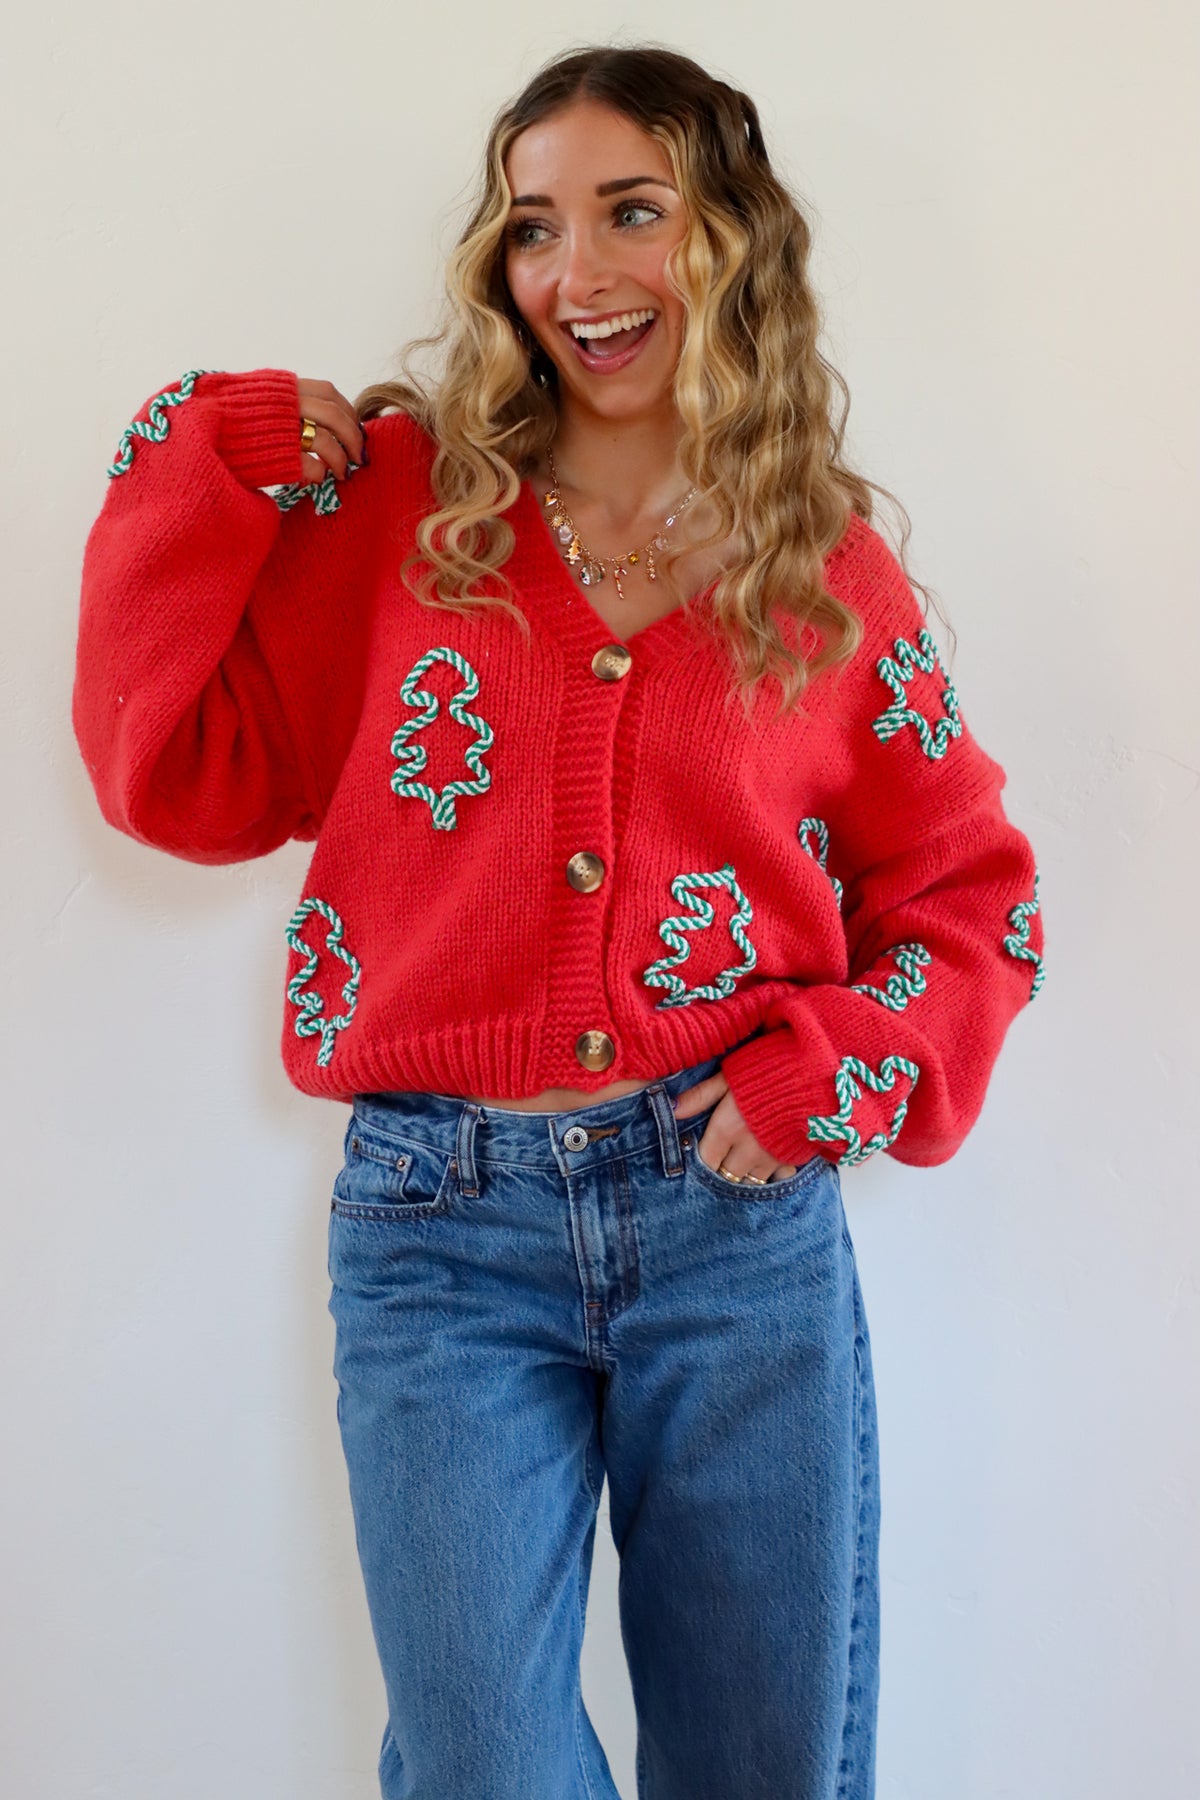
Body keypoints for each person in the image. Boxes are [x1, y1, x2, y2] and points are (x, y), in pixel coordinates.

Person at [72, 41, 1045, 1800]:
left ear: (728, 238)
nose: (575, 272)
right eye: (533, 226)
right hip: (439, 1232)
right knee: (482, 1767)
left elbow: (972, 897)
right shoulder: (402, 511)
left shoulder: (819, 569)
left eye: (631, 212)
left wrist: (838, 1063)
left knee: (764, 1765)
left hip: (734, 1231)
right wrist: (204, 461)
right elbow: (174, 770)